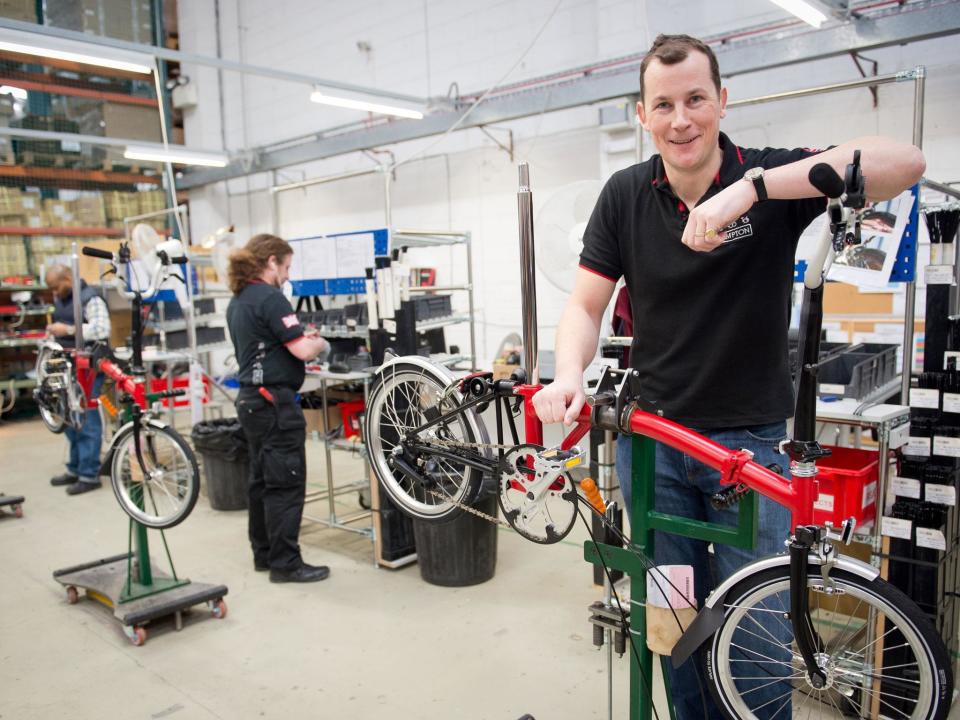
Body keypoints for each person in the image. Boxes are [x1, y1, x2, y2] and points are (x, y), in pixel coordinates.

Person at [531, 33, 925, 720]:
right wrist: (569, 374)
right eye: (664, 104)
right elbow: (585, 303)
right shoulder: (625, 195)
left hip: (751, 449)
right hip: (656, 449)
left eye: (695, 100)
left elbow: (905, 162)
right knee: (675, 629)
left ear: (721, 101)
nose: (681, 119)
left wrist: (751, 190)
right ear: (642, 115)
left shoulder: (769, 178)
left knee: (758, 637)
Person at [226, 233, 331, 584]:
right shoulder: (271, 298)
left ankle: (265, 555)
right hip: (274, 405)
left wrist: (297, 337)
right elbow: (301, 350)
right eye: (286, 266)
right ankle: (286, 564)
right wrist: (319, 343)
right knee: (286, 484)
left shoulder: (239, 300)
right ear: (271, 261)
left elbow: (268, 344)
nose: (287, 275)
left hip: (251, 402)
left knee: (261, 481)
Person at [45, 264, 111, 496]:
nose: (54, 293)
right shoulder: (63, 298)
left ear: (67, 278)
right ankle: (75, 468)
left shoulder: (89, 298)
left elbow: (102, 329)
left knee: (87, 419)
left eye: (56, 287)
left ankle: (89, 474)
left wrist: (69, 329)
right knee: (69, 419)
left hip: (88, 367)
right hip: (66, 367)